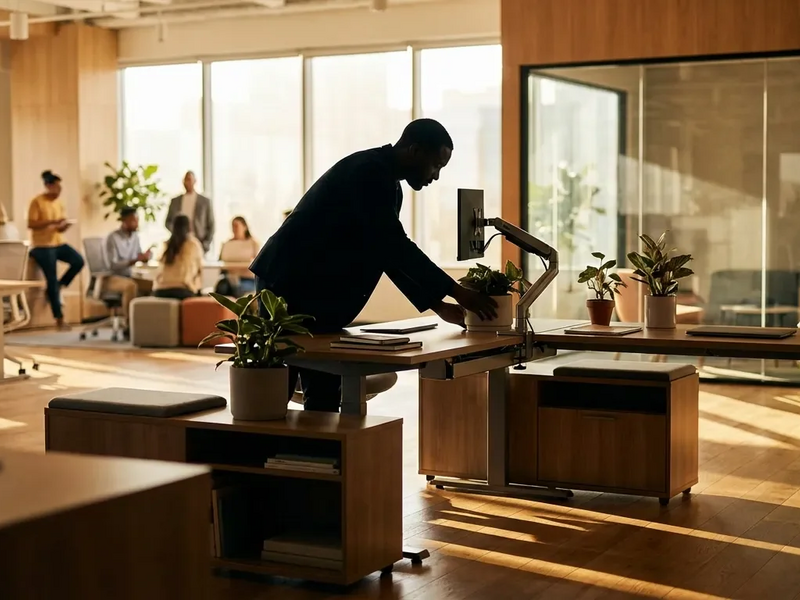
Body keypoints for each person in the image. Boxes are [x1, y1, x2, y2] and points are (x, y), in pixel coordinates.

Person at [250, 118, 497, 413]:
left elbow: (385, 252)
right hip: (289, 285)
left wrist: (438, 305)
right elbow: (394, 245)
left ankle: (316, 454)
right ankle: (263, 455)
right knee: (273, 395)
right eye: (435, 166)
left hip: (315, 291)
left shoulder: (390, 185)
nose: (436, 176)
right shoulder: (368, 172)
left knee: (325, 391)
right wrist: (456, 292)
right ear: (414, 150)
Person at [27, 170, 85, 330]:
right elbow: (31, 224)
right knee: (51, 279)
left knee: (78, 261)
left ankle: (60, 285)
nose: (59, 191)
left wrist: (63, 226)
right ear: (48, 186)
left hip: (58, 242)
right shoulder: (37, 202)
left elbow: (58, 229)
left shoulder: (59, 203)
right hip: (42, 246)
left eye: (60, 188)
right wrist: (52, 221)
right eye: (56, 188)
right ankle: (59, 319)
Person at [103, 207, 153, 329]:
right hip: (111, 277)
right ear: (124, 221)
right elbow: (112, 265)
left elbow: (138, 256)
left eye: (137, 220)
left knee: (152, 285)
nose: (136, 223)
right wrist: (134, 260)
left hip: (129, 275)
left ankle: (148, 324)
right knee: (131, 286)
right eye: (133, 220)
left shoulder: (135, 237)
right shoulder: (113, 238)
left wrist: (145, 257)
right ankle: (130, 325)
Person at [153, 214, 203, 300]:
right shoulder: (193, 245)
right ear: (189, 227)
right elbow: (199, 271)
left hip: (160, 290)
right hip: (182, 290)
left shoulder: (166, 245)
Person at [165, 171, 215, 254]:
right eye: (185, 180)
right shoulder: (175, 201)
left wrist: (206, 244)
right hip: (178, 244)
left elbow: (211, 225)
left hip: (199, 242)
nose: (187, 182)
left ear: (195, 181)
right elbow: (168, 222)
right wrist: (177, 232)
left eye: (189, 179)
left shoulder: (205, 202)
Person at [216, 216, 260, 296]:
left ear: (245, 227)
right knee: (222, 287)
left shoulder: (253, 243)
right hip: (229, 278)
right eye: (232, 226)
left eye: (236, 226)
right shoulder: (226, 244)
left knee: (236, 288)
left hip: (247, 279)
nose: (234, 229)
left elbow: (258, 264)